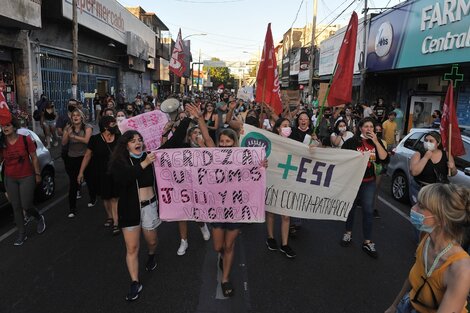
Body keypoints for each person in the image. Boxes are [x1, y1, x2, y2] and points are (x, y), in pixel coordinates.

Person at [384, 183, 470, 313]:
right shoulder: (426, 239)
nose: (413, 208)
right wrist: (394, 306)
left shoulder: (461, 269)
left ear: (442, 219)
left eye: (421, 207)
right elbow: (412, 276)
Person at [109, 130, 160, 301]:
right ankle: (135, 282)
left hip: (149, 206)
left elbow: (171, 146)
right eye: (133, 141)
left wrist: (180, 122)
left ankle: (152, 254)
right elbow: (124, 179)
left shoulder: (151, 157)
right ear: (126, 145)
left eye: (140, 140)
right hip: (129, 210)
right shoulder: (120, 162)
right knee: (132, 248)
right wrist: (143, 164)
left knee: (151, 241)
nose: (138, 143)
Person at [340, 117, 389, 258]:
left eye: (371, 127)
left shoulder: (376, 142)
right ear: (360, 128)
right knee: (351, 207)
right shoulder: (352, 142)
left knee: (368, 210)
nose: (369, 129)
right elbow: (341, 158)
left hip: (369, 182)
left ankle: (367, 241)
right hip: (353, 182)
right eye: (366, 126)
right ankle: (348, 233)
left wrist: (375, 142)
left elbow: (384, 158)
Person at [0, 115, 46, 246]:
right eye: (3, 126)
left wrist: (37, 174)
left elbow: (34, 157)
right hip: (10, 178)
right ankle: (22, 233)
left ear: (14, 126)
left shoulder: (25, 140)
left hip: (26, 176)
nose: (5, 128)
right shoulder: (2, 143)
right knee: (16, 207)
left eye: (8, 125)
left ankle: (38, 217)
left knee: (26, 205)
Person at [78, 116, 120, 235]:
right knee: (105, 197)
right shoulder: (95, 139)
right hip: (100, 173)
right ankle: (109, 216)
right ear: (106, 126)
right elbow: (87, 156)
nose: (115, 125)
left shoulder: (119, 137)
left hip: (116, 172)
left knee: (114, 198)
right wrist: (81, 172)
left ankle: (116, 223)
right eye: (112, 124)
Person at [265, 117, 296, 258]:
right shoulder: (270, 141)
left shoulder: (294, 143)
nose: (287, 128)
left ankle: (285, 244)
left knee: (286, 213)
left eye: (289, 125)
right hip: (272, 179)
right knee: (271, 211)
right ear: (278, 128)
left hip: (287, 180)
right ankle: (270, 238)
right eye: (284, 125)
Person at [409, 131, 457, 205]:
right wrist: (426, 157)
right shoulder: (418, 154)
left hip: (438, 192)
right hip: (421, 190)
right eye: (426, 140)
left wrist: (453, 168)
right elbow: (414, 172)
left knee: (434, 215)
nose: (428, 143)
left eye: (431, 141)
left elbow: (453, 173)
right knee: (420, 213)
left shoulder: (446, 155)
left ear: (437, 143)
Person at [62, 109, 92, 218]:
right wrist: (67, 133)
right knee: (73, 183)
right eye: (73, 115)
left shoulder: (87, 127)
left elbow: (87, 140)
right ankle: (72, 208)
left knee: (89, 179)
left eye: (78, 115)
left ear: (82, 117)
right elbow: (64, 143)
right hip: (72, 158)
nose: (75, 117)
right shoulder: (68, 128)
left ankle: (92, 197)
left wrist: (73, 136)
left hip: (85, 157)